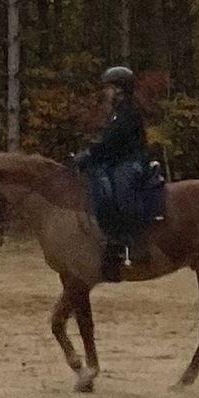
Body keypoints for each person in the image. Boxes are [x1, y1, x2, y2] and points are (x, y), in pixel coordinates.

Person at [75, 65, 153, 279]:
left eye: (109, 87)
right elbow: (108, 143)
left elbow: (113, 143)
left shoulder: (129, 113)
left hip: (132, 163)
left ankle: (128, 242)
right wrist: (89, 154)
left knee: (119, 191)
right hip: (118, 161)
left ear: (119, 90)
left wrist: (90, 153)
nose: (105, 92)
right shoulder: (116, 115)